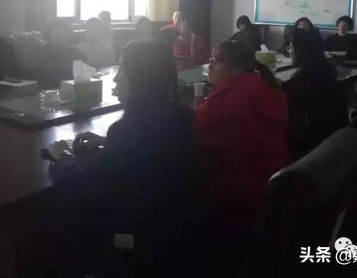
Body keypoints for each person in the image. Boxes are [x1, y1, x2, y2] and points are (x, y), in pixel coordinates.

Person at [52, 40, 200, 274]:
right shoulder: (184, 117)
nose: (115, 78)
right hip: (174, 235)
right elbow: (146, 151)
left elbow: (80, 188)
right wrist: (107, 143)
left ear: (140, 78)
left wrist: (61, 159)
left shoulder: (127, 131)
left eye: (122, 70)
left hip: (133, 236)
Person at [195, 41, 289, 220]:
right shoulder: (260, 84)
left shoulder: (230, 97)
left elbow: (193, 132)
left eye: (216, 61)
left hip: (240, 193)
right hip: (271, 182)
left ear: (235, 67)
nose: (210, 66)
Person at [282, 28, 347, 159]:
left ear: (301, 49)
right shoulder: (327, 70)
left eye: (292, 47)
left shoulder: (301, 82)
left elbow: (292, 124)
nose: (290, 51)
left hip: (310, 147)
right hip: (335, 139)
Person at [43, 20, 86, 87]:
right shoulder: (41, 51)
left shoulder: (76, 53)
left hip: (71, 89)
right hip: (46, 89)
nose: (60, 35)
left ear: (69, 34)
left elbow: (84, 76)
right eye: (56, 32)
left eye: (63, 32)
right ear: (49, 34)